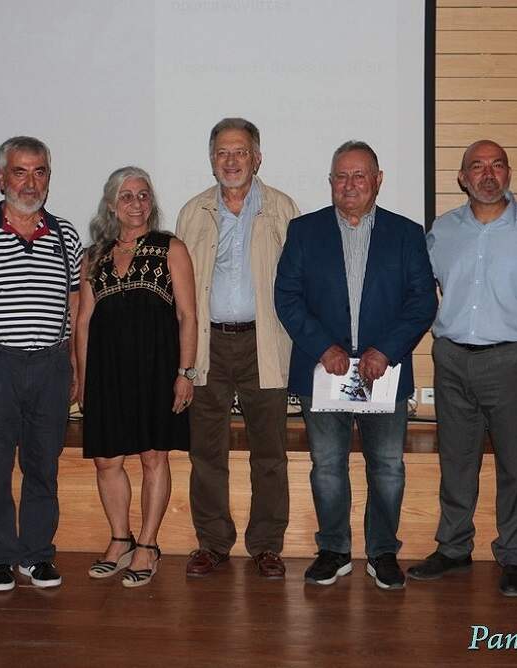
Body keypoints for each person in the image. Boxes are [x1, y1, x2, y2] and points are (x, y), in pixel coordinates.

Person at [274, 141, 436, 590]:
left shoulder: (406, 234)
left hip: (384, 373)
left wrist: (386, 350)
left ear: (378, 180)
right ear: (330, 182)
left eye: (359, 175)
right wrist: (323, 347)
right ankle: (334, 550)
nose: (349, 184)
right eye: (341, 176)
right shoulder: (304, 231)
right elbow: (287, 297)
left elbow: (422, 302)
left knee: (388, 468)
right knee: (327, 465)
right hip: (323, 372)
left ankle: (382, 552)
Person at [406, 140, 517, 597]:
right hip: (451, 359)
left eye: (497, 165)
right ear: (462, 178)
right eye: (477, 167)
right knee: (456, 460)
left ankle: (515, 554)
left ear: (508, 173)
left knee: (516, 463)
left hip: (513, 359)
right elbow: (420, 289)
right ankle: (453, 548)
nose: (488, 175)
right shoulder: (442, 230)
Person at [0, 137, 83, 591]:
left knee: (43, 464)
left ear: (49, 177)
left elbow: (74, 307)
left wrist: (74, 364)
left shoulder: (67, 235)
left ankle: (37, 554)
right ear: (1, 177)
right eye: (20, 171)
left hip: (50, 365)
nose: (30, 182)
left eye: (39, 171)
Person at [175, 118, 299, 579]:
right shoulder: (192, 213)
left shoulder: (283, 209)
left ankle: (266, 545)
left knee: (270, 452)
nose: (231, 161)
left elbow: (299, 284)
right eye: (223, 153)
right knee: (207, 452)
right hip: (207, 344)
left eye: (240, 152)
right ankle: (212, 543)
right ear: (212, 161)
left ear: (257, 158)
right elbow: (181, 294)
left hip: (263, 343)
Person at [75, 166, 197, 587]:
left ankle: (147, 544)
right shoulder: (94, 256)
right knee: (106, 460)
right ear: (112, 205)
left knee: (152, 457)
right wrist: (83, 379)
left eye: (143, 195)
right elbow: (83, 322)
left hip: (157, 370)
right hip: (106, 373)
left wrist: (185, 373)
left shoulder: (170, 248)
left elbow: (187, 315)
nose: (136, 203)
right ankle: (120, 539)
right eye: (126, 196)